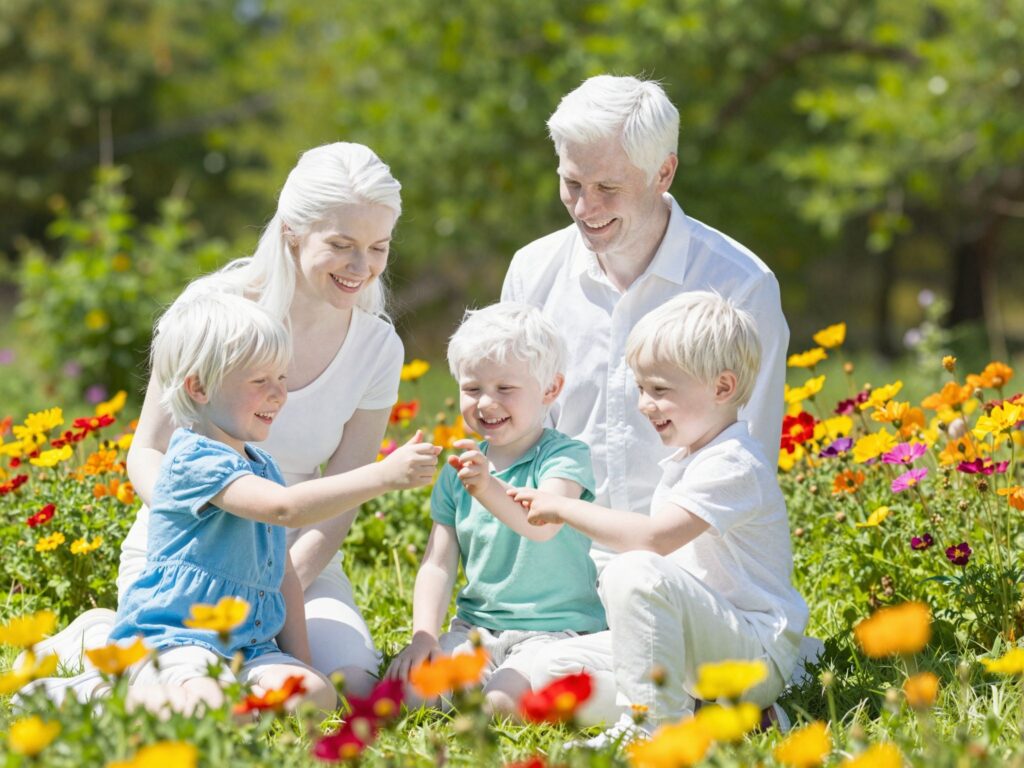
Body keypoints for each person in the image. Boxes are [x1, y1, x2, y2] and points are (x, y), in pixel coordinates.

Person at [27, 142, 414, 698]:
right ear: (291, 232)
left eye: (378, 247)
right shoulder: (214, 309)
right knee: (198, 685)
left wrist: (276, 590)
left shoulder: (378, 346)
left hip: (292, 556)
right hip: (184, 555)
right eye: (341, 245)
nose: (363, 267)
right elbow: (147, 450)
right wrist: (198, 538)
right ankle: (99, 639)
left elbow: (343, 493)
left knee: (346, 682)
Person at [96, 291, 439, 715]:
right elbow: (286, 509)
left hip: (248, 643)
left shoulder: (261, 466)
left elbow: (283, 575)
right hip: (178, 636)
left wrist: (301, 664)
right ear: (199, 387)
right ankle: (87, 690)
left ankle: (222, 709)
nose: (279, 395)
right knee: (203, 699)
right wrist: (383, 476)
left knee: (316, 694)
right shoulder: (193, 461)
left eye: (282, 379)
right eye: (260, 381)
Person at [501, 74, 788, 568]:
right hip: (562, 571)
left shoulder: (740, 286)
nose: (584, 208)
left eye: (607, 187)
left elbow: (747, 453)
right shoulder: (531, 273)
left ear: (664, 172)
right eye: (572, 184)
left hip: (693, 573)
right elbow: (518, 437)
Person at [509, 292, 807, 741]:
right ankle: (718, 719)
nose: (644, 404)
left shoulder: (733, 463)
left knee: (635, 568)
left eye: (660, 390)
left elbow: (652, 540)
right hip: (697, 646)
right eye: (642, 388)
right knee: (552, 670)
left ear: (722, 388)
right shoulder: (692, 458)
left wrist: (565, 507)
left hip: (751, 655)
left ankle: (650, 727)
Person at [386, 303, 605, 713]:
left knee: (502, 703)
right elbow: (437, 563)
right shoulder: (460, 470)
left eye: (505, 389)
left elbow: (542, 525)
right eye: (472, 389)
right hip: (478, 629)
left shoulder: (564, 458)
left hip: (555, 630)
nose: (486, 403)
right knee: (411, 697)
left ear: (550, 390)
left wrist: (487, 487)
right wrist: (425, 637)